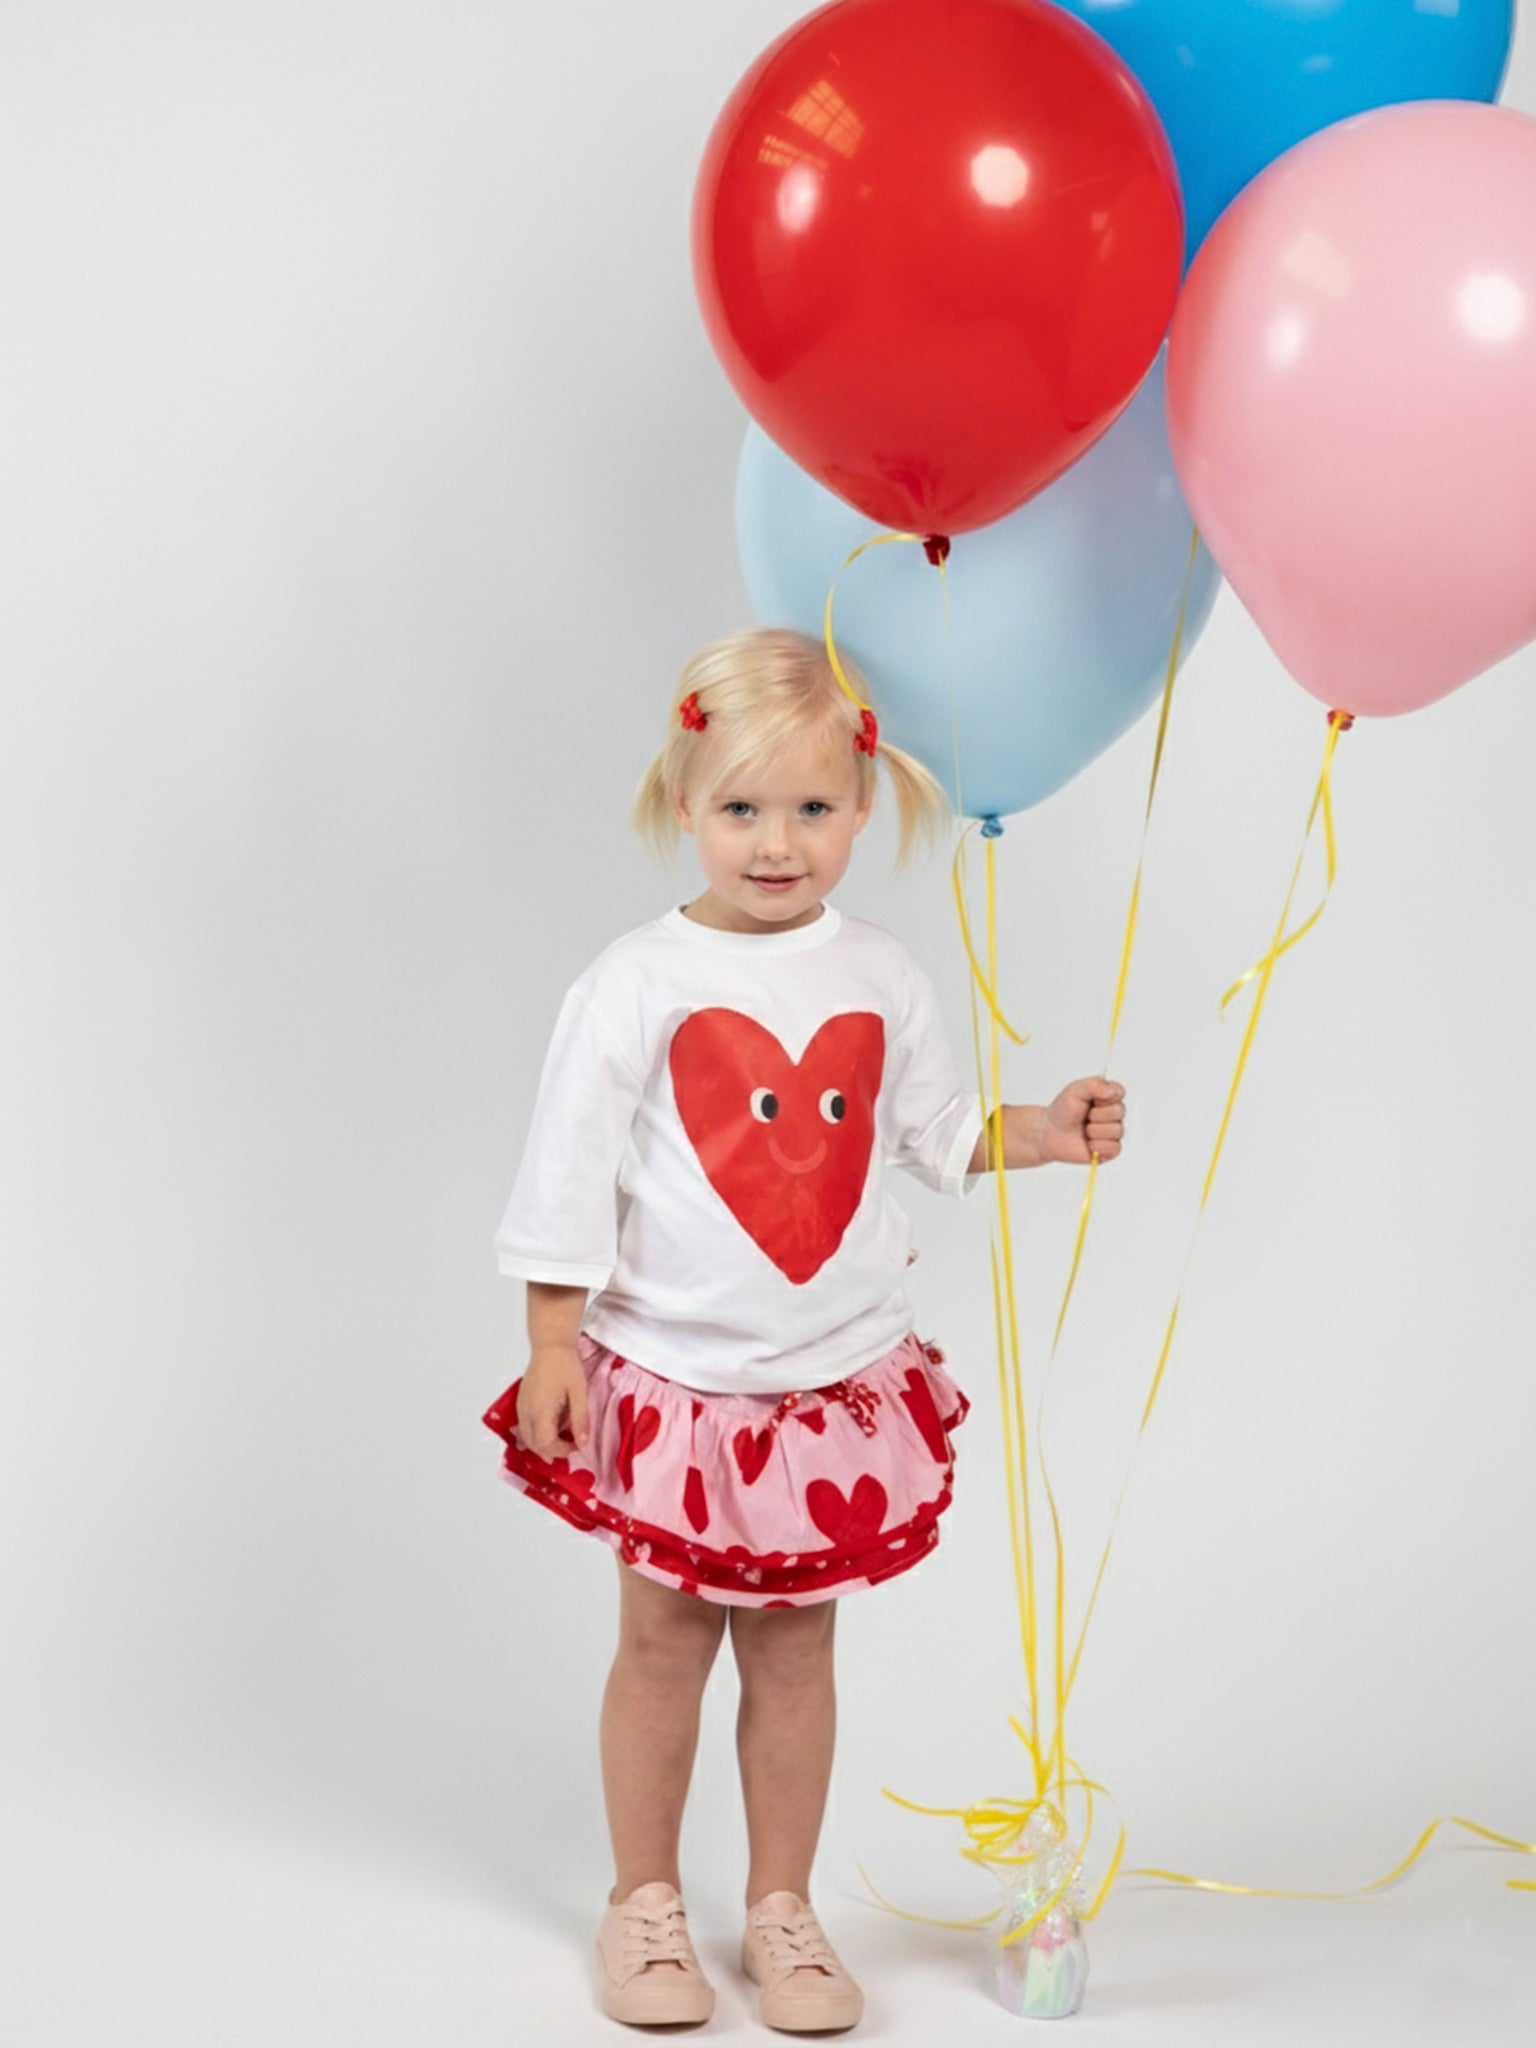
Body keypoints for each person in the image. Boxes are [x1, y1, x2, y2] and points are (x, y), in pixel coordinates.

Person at [481, 626, 1125, 2031]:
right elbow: (565, 1177)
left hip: (828, 1390)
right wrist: (550, 1340)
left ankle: (782, 1908)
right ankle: (644, 1904)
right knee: (662, 1641)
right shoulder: (634, 986)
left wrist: (1043, 1132)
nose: (779, 844)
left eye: (814, 809)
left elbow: (935, 1133)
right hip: (679, 1381)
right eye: (742, 810)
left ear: (863, 801)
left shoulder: (881, 974)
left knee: (795, 1651)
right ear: (685, 803)